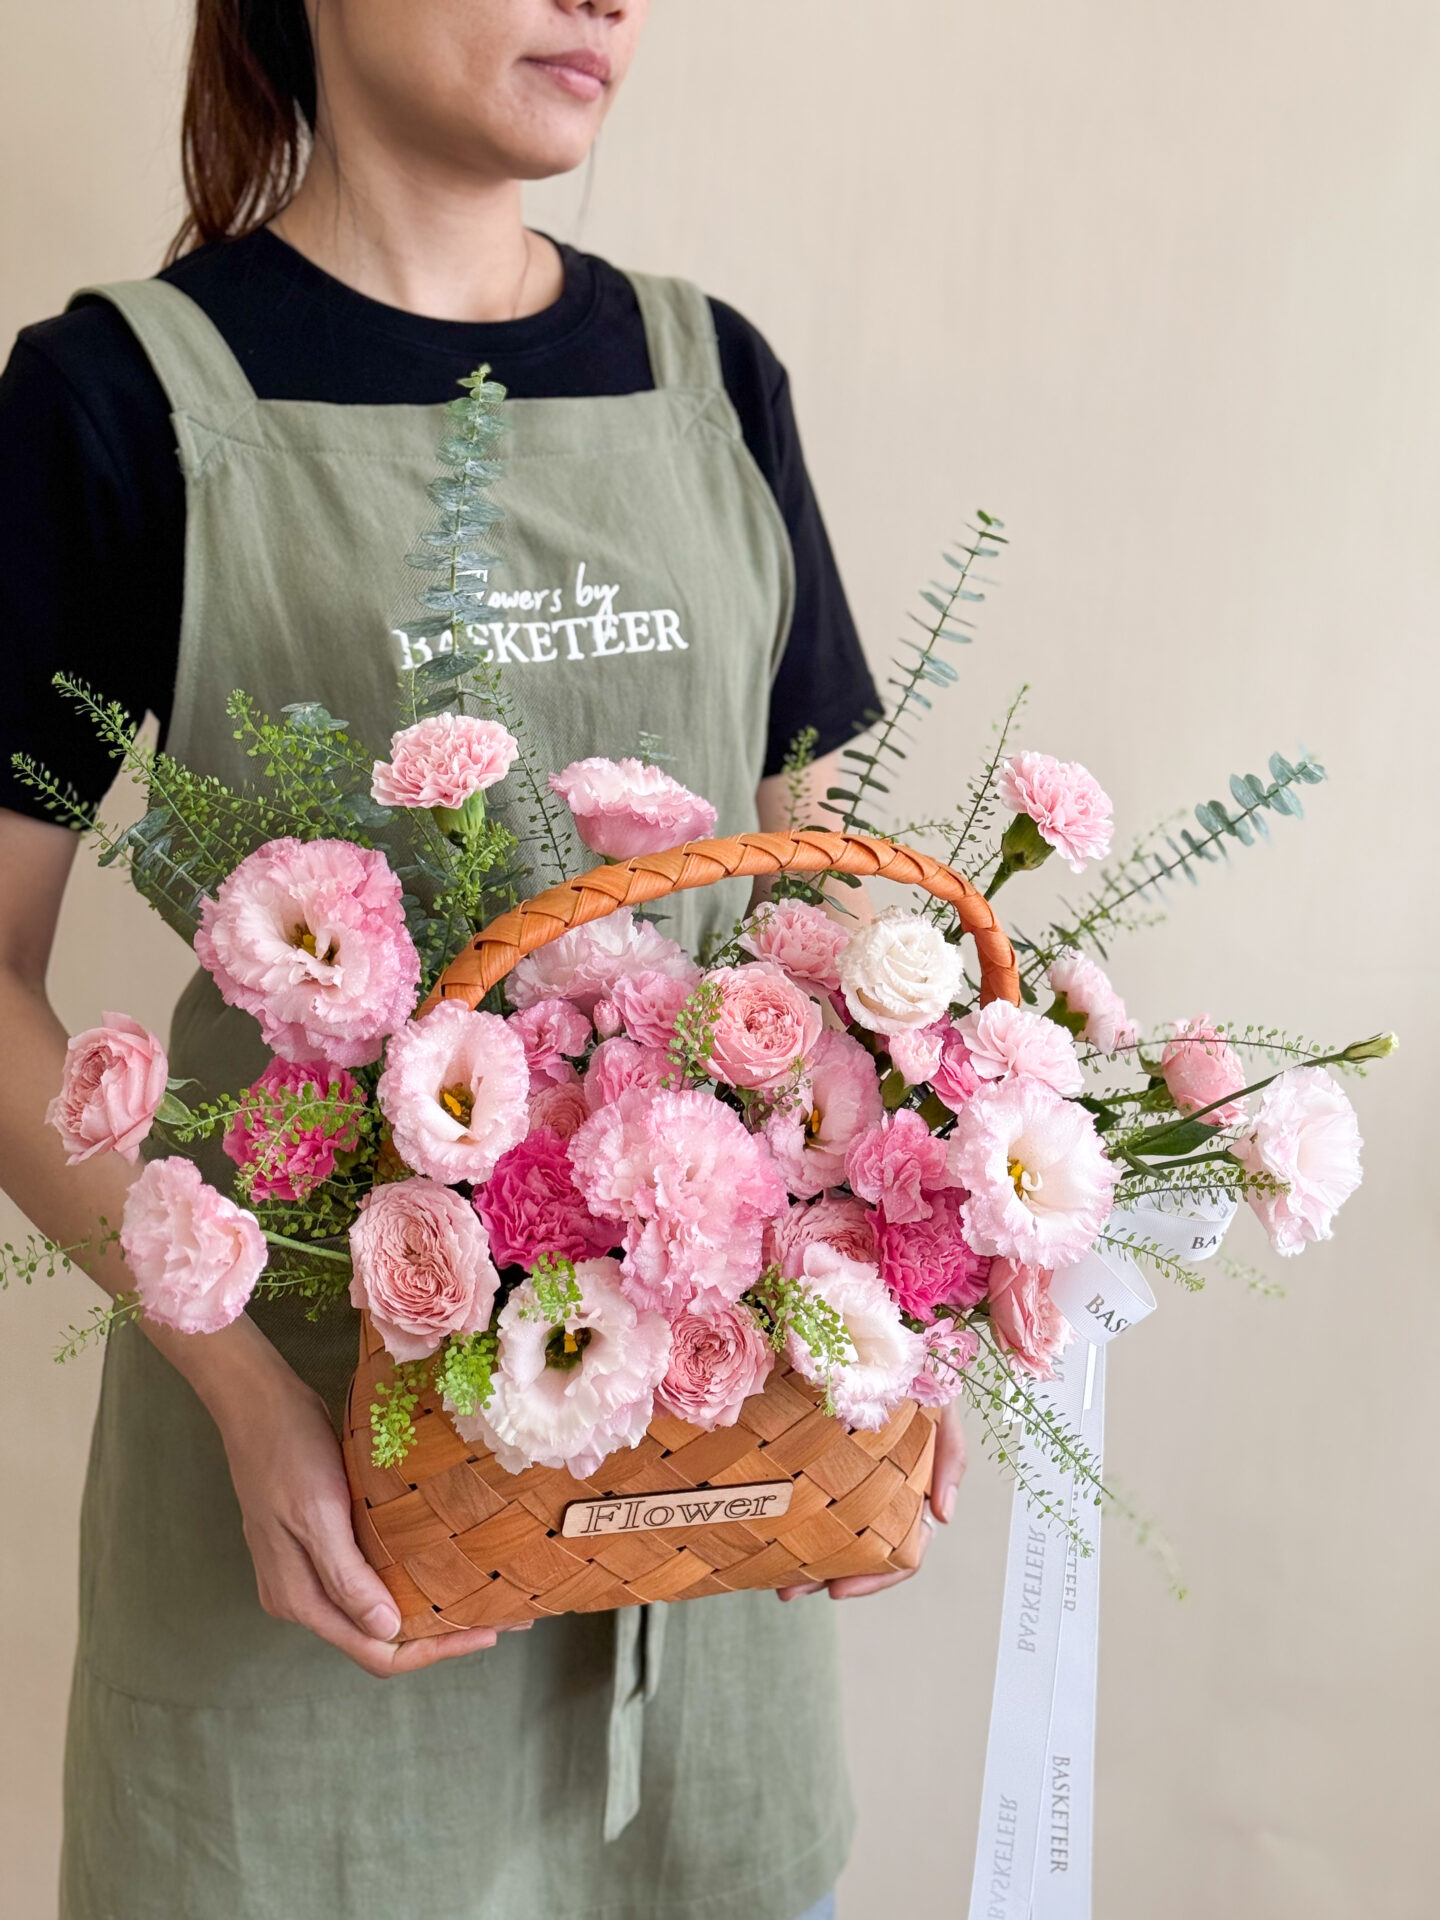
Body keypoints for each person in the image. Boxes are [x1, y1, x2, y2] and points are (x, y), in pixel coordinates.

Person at [0, 4, 967, 1916]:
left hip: (708, 1507)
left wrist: (883, 1342)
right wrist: (250, 1407)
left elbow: (813, 927)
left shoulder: (712, 383)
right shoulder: (120, 398)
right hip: (314, 1517)